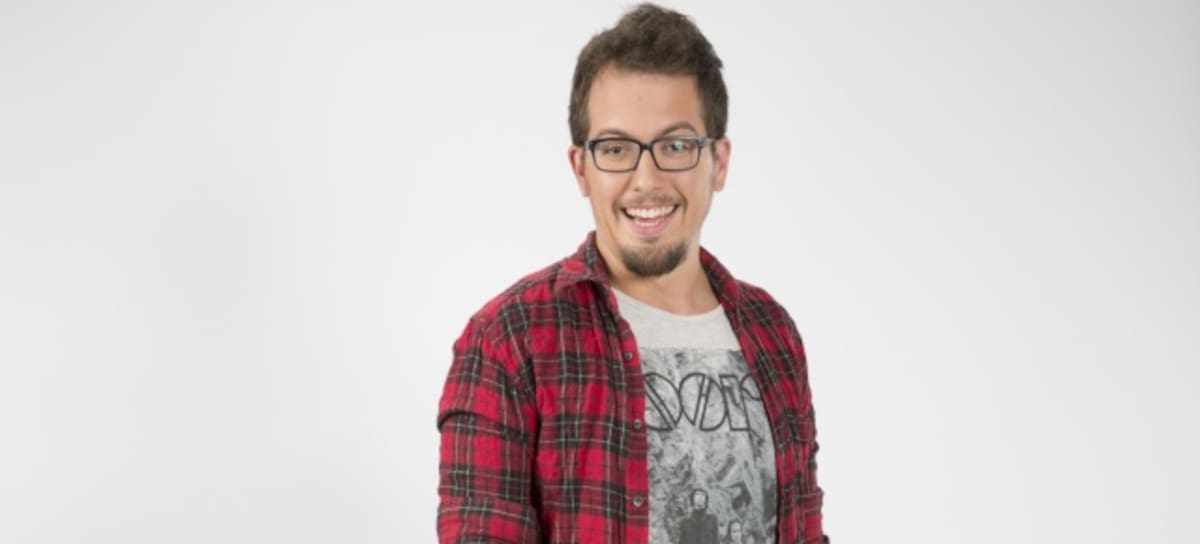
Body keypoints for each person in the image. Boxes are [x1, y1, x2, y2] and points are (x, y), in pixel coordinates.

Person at [436, 4, 830, 543]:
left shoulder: (773, 333)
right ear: (581, 168)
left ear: (719, 162)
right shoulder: (509, 340)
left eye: (676, 145)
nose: (646, 179)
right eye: (617, 148)